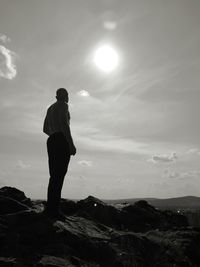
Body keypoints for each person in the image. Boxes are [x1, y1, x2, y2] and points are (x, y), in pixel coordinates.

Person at [43, 88, 76, 219]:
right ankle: (54, 211)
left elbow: (45, 128)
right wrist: (70, 143)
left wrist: (54, 134)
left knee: (54, 175)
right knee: (59, 175)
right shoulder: (63, 105)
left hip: (51, 140)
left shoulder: (50, 108)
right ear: (63, 96)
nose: (68, 97)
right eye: (67, 95)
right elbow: (64, 124)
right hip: (60, 140)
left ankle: (51, 208)